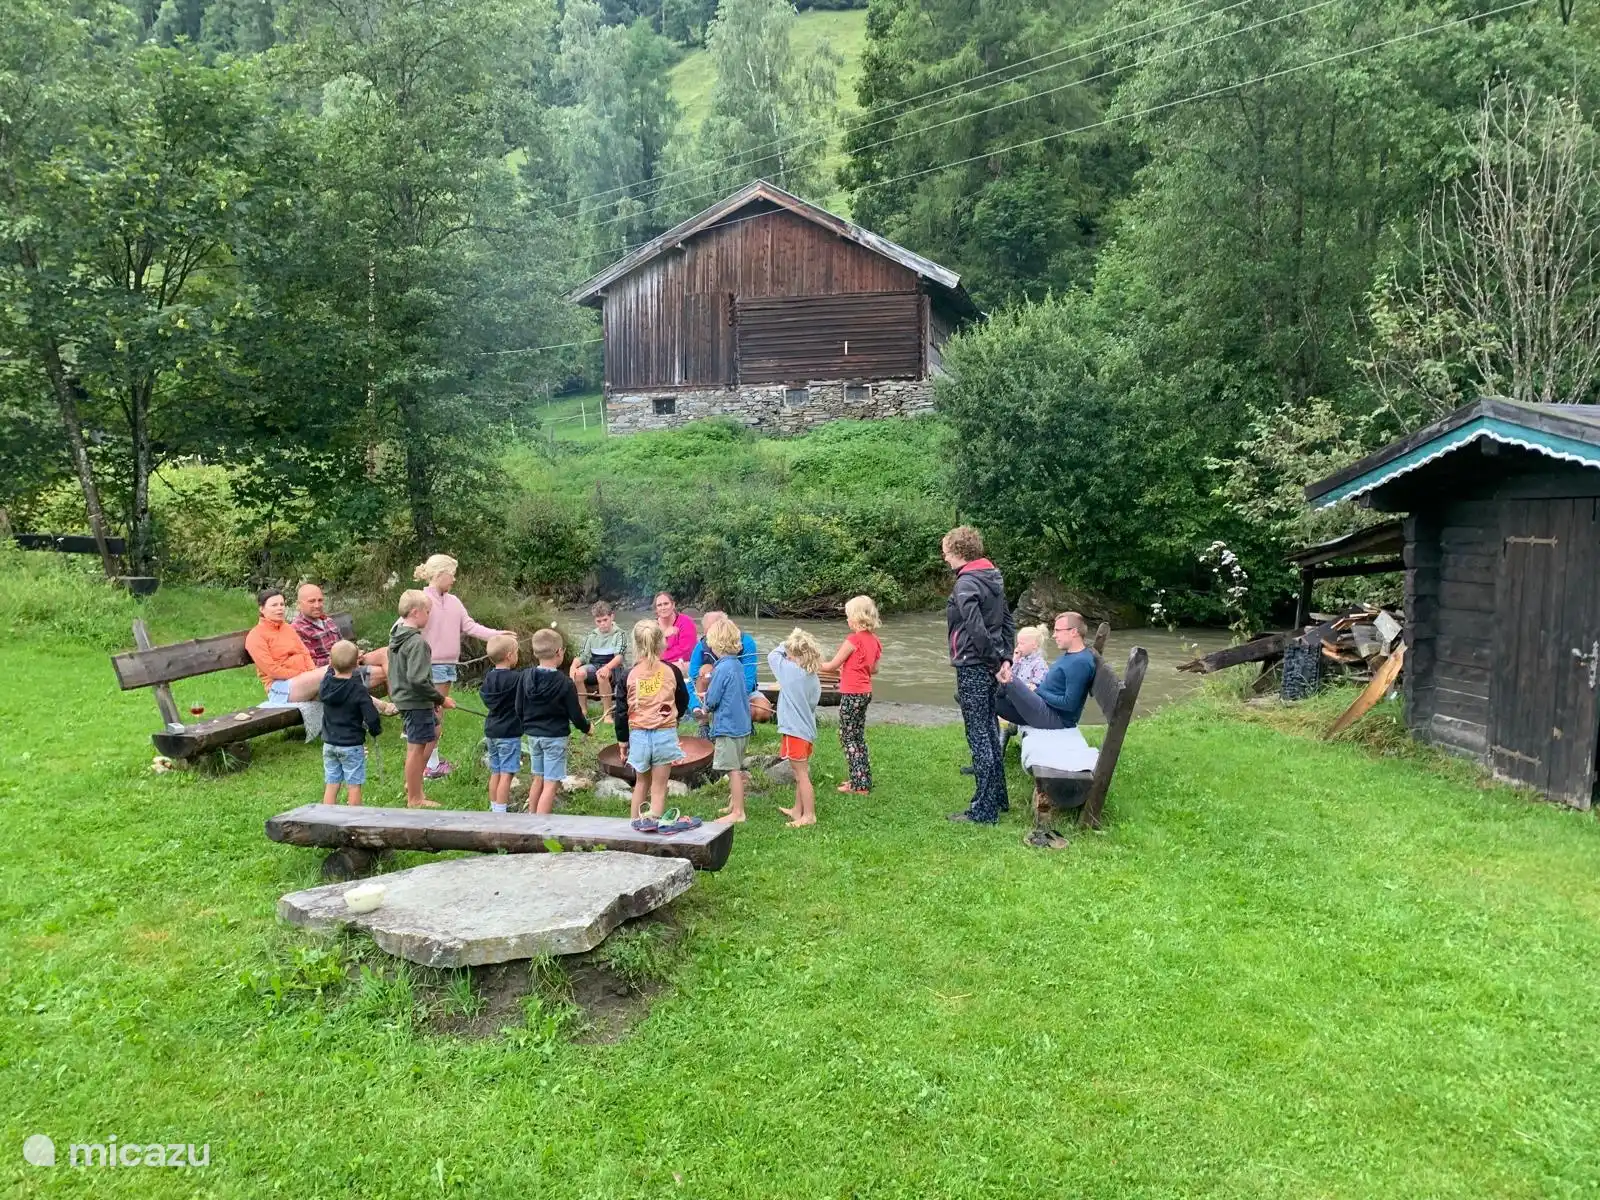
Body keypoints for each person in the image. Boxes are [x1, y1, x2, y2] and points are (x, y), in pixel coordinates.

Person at [413, 554, 510, 780]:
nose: (454, 580)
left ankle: (431, 762)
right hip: (430, 667)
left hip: (448, 666)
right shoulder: (421, 600)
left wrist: (497, 635)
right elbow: (405, 628)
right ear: (439, 575)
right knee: (434, 716)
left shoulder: (454, 601)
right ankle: (428, 766)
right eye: (452, 575)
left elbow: (470, 626)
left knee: (437, 715)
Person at [943, 525, 1014, 825]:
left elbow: (976, 629)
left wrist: (994, 662)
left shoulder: (966, 583)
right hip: (989, 663)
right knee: (988, 729)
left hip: (974, 665)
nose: (944, 558)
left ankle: (983, 812)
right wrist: (1006, 658)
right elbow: (1008, 621)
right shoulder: (992, 577)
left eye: (946, 552)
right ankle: (998, 798)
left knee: (979, 736)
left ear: (959, 552)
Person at [389, 590, 454, 809]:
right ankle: (415, 798)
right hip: (415, 701)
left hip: (410, 700)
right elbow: (417, 680)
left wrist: (433, 702)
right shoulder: (417, 643)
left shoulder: (397, 634)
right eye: (428, 612)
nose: (429, 616)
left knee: (433, 732)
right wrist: (440, 699)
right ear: (416, 612)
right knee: (415, 748)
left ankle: (413, 784)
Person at [519, 628, 592, 816]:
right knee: (551, 783)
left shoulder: (525, 676)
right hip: (554, 738)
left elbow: (519, 706)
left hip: (533, 736)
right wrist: (587, 728)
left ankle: (530, 819)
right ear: (559, 652)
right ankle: (542, 827)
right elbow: (575, 715)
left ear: (535, 653)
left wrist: (525, 725)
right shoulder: (565, 683)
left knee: (538, 778)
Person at [821, 595, 883, 795]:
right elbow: (873, 669)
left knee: (847, 737)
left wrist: (811, 664)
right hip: (865, 693)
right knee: (858, 735)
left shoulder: (852, 640)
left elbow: (830, 666)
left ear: (856, 617)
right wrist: (850, 669)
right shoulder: (874, 641)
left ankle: (860, 785)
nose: (847, 619)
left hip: (852, 694)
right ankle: (862, 778)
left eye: (848, 616)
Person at [625, 619, 685, 824]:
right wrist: (675, 719)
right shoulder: (672, 671)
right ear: (662, 643)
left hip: (639, 733)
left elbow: (622, 710)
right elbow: (682, 699)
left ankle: (634, 823)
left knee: (641, 783)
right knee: (659, 787)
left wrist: (623, 741)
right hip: (664, 733)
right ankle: (655, 825)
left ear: (635, 644)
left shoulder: (629, 673)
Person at [996, 612, 1097, 731]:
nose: (1054, 635)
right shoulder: (1072, 656)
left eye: (1058, 630)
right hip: (1042, 708)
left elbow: (1069, 704)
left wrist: (1038, 691)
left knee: (1007, 679)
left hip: (1054, 717)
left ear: (1073, 632)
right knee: (993, 694)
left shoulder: (1080, 662)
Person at [769, 629, 823, 828]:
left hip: (795, 731)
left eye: (790, 654)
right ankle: (797, 810)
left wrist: (788, 641)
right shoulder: (812, 677)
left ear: (796, 655)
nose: (787, 657)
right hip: (805, 730)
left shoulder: (791, 673)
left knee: (801, 774)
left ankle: (809, 815)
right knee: (799, 772)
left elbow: (772, 655)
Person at [701, 619, 753, 823]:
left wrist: (704, 705)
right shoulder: (737, 665)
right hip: (742, 727)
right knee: (737, 766)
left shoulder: (721, 669)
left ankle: (738, 812)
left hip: (729, 727)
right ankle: (734, 803)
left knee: (733, 771)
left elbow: (713, 699)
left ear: (715, 644)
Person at [319, 640, 382, 806]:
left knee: (332, 782)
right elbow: (371, 716)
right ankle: (354, 818)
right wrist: (375, 730)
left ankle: (326, 816)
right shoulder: (358, 690)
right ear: (356, 665)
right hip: (351, 744)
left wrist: (332, 663)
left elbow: (329, 670)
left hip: (329, 743)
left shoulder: (326, 684)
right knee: (353, 784)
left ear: (331, 662)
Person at [291, 583, 388, 689]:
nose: (317, 605)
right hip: (334, 673)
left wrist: (355, 653)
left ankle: (400, 704)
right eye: (312, 601)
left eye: (320, 600)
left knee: (386, 653)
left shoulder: (328, 621)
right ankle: (401, 704)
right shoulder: (297, 629)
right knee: (385, 672)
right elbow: (310, 663)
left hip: (349, 662)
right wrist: (342, 660)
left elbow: (344, 645)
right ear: (299, 604)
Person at [245, 589, 327, 706]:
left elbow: (305, 654)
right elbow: (272, 670)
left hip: (304, 679)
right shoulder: (255, 636)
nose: (280, 608)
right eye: (274, 605)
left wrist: (311, 672)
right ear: (262, 609)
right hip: (280, 688)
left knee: (342, 674)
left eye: (282, 604)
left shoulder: (288, 628)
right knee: (331, 673)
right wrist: (303, 674)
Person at [688, 609, 759, 736]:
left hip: (739, 692)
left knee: (761, 711)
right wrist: (696, 706)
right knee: (705, 670)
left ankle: (746, 721)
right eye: (707, 631)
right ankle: (703, 726)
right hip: (711, 693)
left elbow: (748, 680)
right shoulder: (701, 645)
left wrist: (727, 700)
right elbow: (693, 678)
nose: (708, 638)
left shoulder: (746, 642)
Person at [479, 634, 523, 813]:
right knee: (507, 774)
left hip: (491, 730)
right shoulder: (516, 679)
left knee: (495, 771)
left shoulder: (489, 677)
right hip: (509, 733)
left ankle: (494, 807)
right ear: (510, 655)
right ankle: (500, 812)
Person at [569, 600, 626, 711]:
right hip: (595, 665)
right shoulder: (592, 635)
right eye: (598, 621)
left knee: (602, 675)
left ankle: (607, 713)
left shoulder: (620, 634)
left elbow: (619, 657)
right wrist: (573, 666)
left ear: (612, 617)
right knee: (578, 674)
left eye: (605, 620)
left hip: (613, 667)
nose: (602, 624)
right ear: (595, 621)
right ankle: (583, 710)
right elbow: (583, 655)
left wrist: (607, 667)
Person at [654, 592, 698, 669]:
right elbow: (646, 650)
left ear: (673, 605)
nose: (663, 607)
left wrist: (657, 657)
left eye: (666, 604)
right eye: (659, 605)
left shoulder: (686, 622)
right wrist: (663, 635)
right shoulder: (652, 627)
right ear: (656, 609)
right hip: (658, 664)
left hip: (683, 664)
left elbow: (686, 652)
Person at [1011, 624, 1050, 692]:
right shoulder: (1021, 659)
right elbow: (1011, 674)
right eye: (1018, 643)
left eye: (1022, 643)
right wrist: (1015, 660)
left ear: (1034, 645)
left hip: (1027, 695)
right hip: (1017, 691)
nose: (1018, 646)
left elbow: (1037, 685)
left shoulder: (1039, 664)